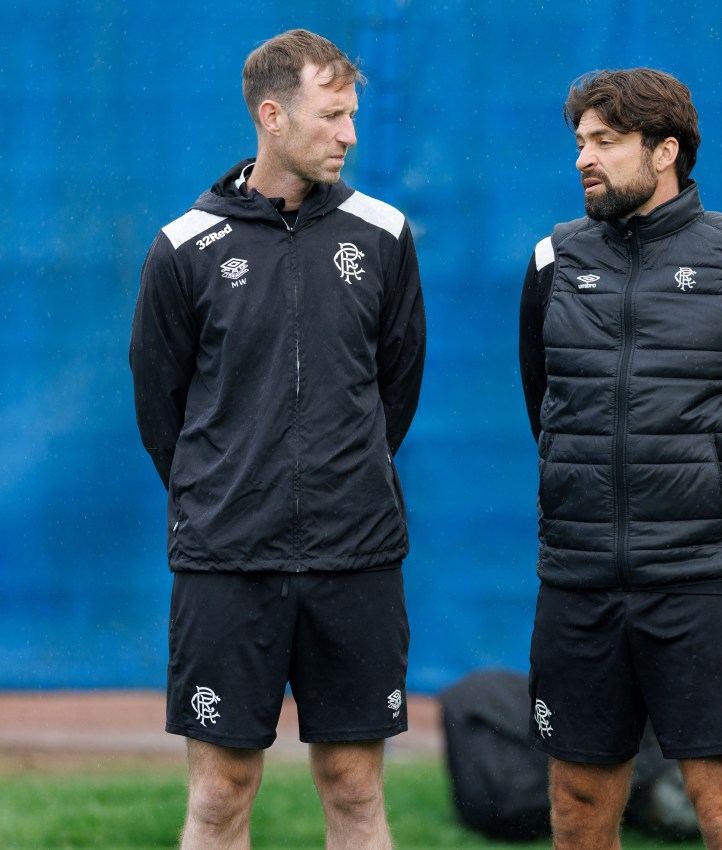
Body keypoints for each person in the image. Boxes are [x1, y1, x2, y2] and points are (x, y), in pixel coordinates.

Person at [129, 29, 425, 850]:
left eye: (353, 114)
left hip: (355, 555)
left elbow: (394, 392)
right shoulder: (184, 247)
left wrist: (340, 473)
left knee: (355, 789)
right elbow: (164, 413)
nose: (350, 135)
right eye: (332, 116)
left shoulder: (384, 236)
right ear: (271, 115)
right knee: (221, 794)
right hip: (228, 560)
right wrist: (231, 487)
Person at [519, 68, 722, 850]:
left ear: (665, 152)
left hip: (702, 586)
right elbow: (545, 408)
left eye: (605, 142)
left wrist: (719, 512)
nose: (584, 158)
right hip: (578, 583)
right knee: (576, 808)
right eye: (579, 142)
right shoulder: (552, 260)